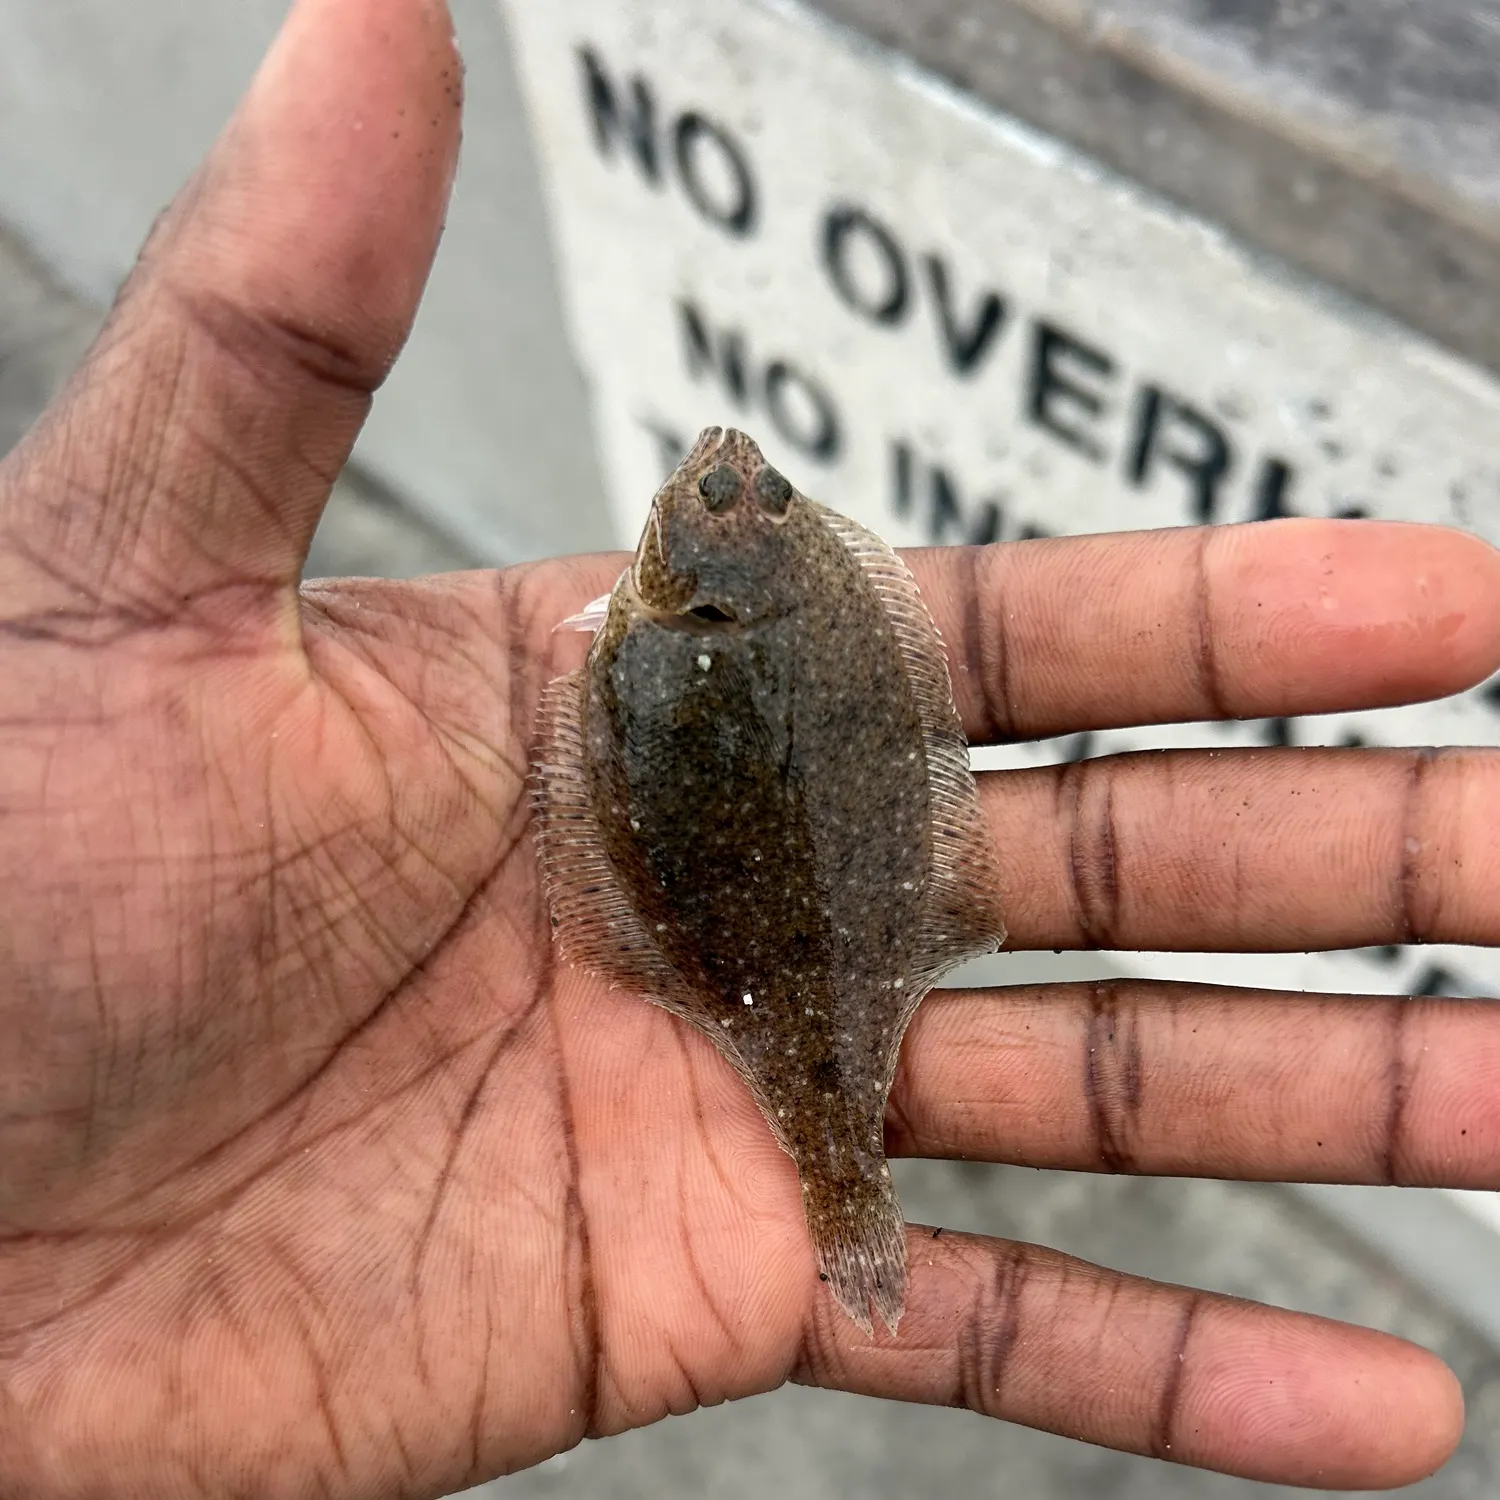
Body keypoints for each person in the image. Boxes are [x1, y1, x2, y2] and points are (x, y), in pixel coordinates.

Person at [1, 0, 1496, 1495]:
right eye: (743, 498)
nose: (731, 472)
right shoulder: (728, 617)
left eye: (752, 496)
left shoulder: (679, 623)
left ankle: (844, 1189)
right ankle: (846, 1191)